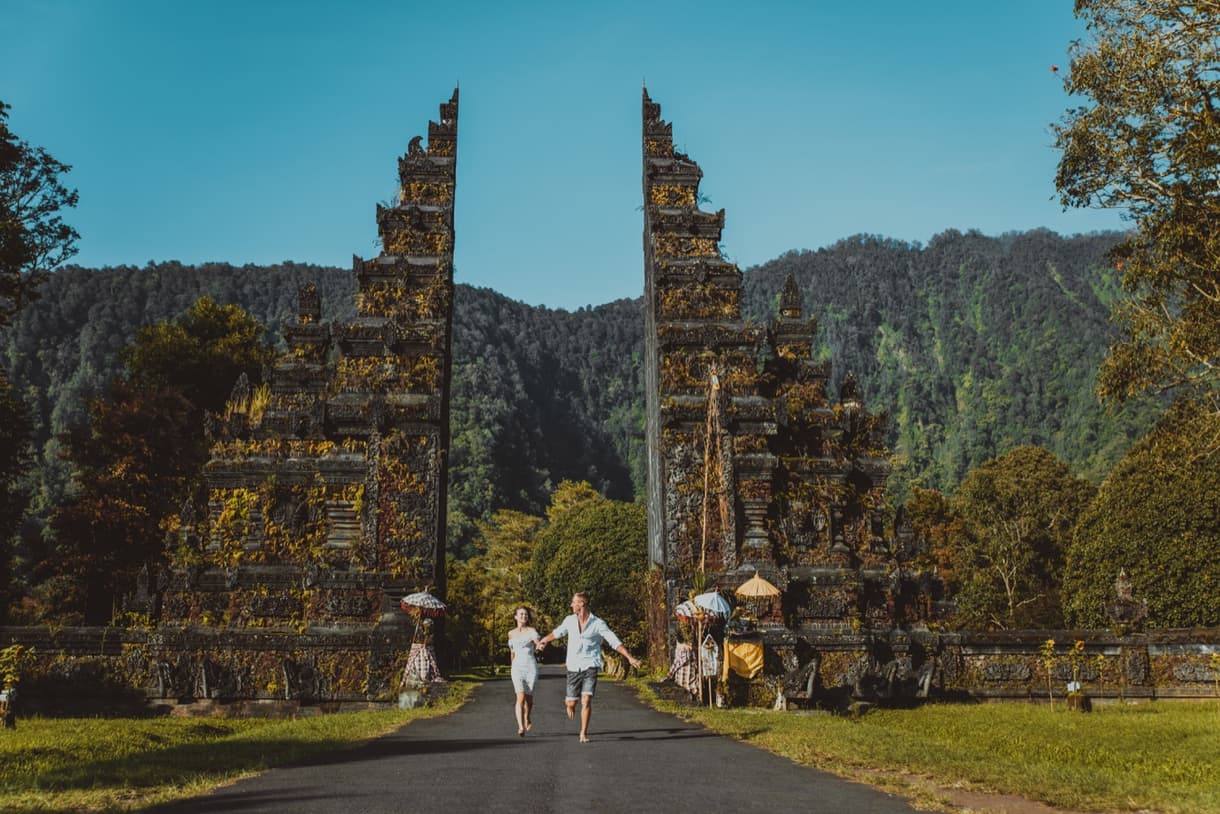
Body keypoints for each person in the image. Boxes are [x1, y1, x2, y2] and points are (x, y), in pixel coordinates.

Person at [535, 591, 642, 743]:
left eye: (574, 602)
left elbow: (614, 641)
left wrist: (630, 657)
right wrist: (544, 641)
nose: (571, 605)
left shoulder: (598, 623)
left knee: (586, 700)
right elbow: (557, 633)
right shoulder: (569, 620)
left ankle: (583, 733)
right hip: (573, 666)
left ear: (582, 604)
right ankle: (570, 704)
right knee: (571, 702)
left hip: (590, 665)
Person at [507, 606, 540, 736]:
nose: (523, 616)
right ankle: (521, 727)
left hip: (530, 667)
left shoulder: (532, 631)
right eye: (521, 614)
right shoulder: (511, 633)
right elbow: (512, 652)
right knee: (520, 698)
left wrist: (540, 645)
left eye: (525, 614)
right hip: (516, 668)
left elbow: (537, 642)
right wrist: (511, 666)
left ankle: (527, 716)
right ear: (516, 617)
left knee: (529, 701)